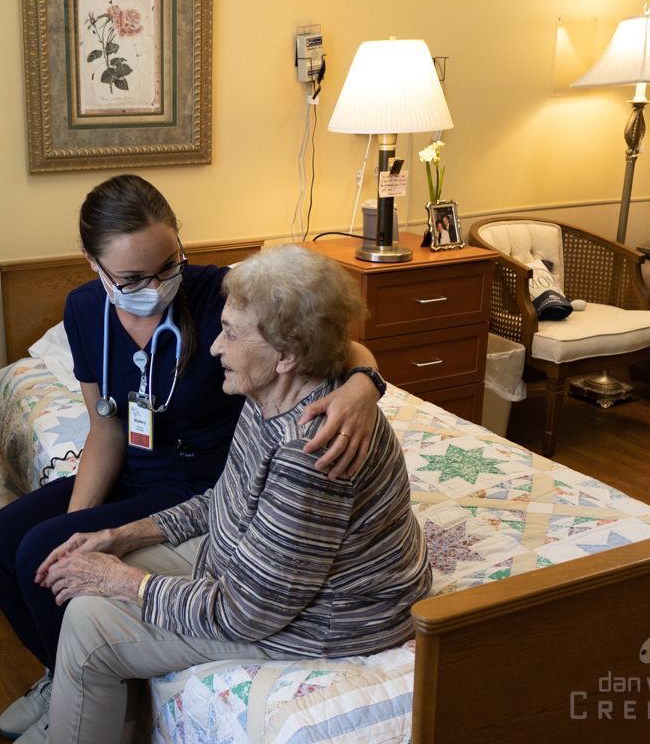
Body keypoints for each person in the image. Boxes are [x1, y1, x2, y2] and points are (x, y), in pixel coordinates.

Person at [0, 175, 389, 742]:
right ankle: (61, 676)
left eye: (169, 264)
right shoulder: (86, 311)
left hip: (208, 477)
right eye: (134, 278)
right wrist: (80, 525)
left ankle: (90, 691)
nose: (158, 285)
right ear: (94, 266)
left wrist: (363, 381)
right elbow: (105, 426)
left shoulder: (226, 295)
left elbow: (322, 337)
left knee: (43, 556)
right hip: (142, 470)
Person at [36, 244, 432, 743]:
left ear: (287, 354)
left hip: (329, 618)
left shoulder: (308, 450)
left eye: (232, 334)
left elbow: (245, 613)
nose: (216, 347)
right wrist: (120, 536)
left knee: (91, 626)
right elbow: (226, 497)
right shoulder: (272, 389)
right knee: (94, 585)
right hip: (263, 575)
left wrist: (123, 582)